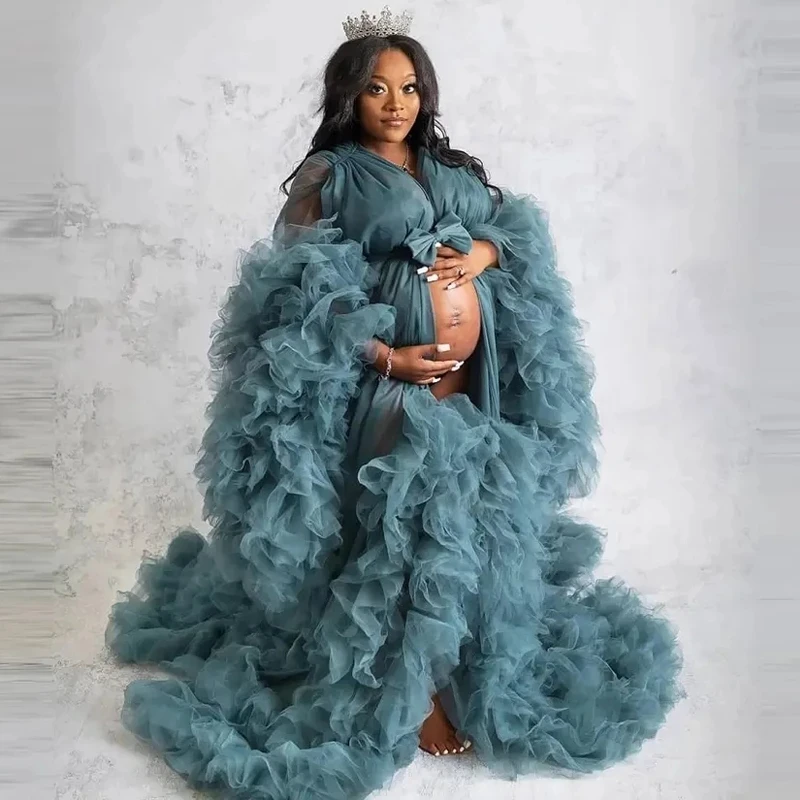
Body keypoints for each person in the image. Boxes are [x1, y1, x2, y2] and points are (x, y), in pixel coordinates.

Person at [105, 7, 684, 800]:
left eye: (409, 87)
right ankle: (417, 693)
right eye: (377, 88)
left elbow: (509, 231)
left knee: (474, 513)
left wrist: (483, 252)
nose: (395, 103)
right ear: (350, 96)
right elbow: (295, 296)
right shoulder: (331, 177)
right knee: (410, 521)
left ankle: (466, 665)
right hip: (387, 386)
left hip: (472, 384)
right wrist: (385, 354)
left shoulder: (447, 168)